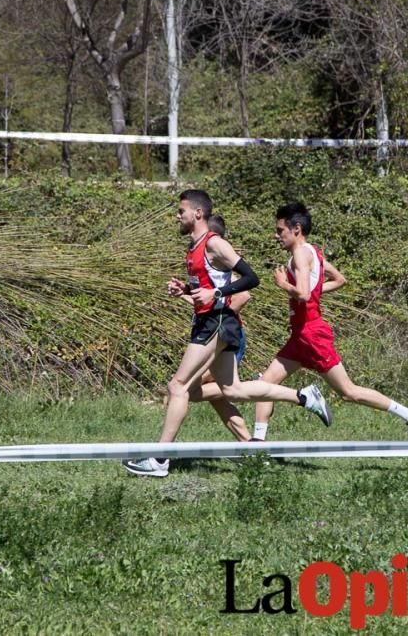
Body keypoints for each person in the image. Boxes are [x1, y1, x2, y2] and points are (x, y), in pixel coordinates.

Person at [123, 190, 331, 477]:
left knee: (178, 386)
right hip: (214, 321)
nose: (177, 216)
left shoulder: (215, 244)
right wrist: (185, 290)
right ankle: (304, 396)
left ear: (198, 214)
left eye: (181, 210)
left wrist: (216, 293)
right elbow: (209, 285)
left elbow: (251, 279)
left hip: (217, 323)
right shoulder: (195, 247)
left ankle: (160, 460)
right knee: (232, 390)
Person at [251, 202, 408, 442]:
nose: (276, 235)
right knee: (265, 384)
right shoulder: (312, 252)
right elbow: (339, 280)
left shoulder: (301, 254)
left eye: (280, 230)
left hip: (312, 334)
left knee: (348, 392)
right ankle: (257, 445)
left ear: (296, 229)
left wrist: (284, 285)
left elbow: (302, 294)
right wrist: (311, 291)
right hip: (300, 335)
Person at [179, 214, 252, 442]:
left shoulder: (218, 256)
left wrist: (223, 316)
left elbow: (244, 295)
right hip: (214, 329)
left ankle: (262, 385)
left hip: (225, 333)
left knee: (188, 390)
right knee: (219, 396)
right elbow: (205, 300)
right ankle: (249, 447)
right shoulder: (206, 264)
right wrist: (185, 292)